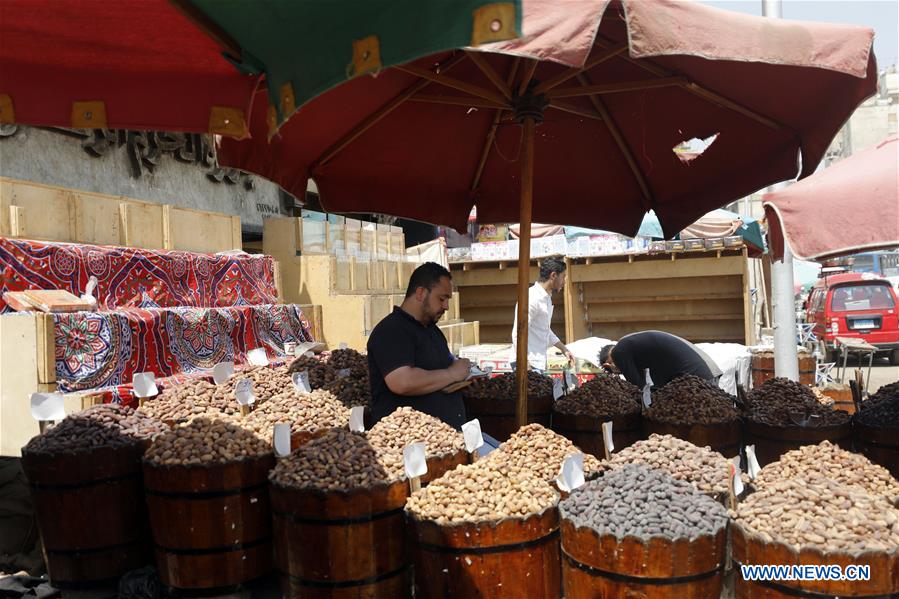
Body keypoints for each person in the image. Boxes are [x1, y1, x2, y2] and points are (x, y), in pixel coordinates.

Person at [367, 262, 470, 428]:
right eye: (442, 298)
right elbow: (402, 381)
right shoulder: (391, 330)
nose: (446, 306)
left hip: (442, 441)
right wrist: (452, 373)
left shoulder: (432, 330)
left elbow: (439, 372)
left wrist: (464, 375)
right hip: (408, 445)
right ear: (421, 293)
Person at [511, 257, 575, 371]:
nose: (564, 281)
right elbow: (518, 333)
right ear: (553, 275)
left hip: (537, 362)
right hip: (528, 363)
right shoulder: (531, 298)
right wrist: (524, 362)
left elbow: (544, 330)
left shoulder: (546, 297)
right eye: (563, 277)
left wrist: (564, 349)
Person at [599, 330, 722, 389]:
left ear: (609, 363)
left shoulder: (619, 351)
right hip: (706, 371)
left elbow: (640, 388)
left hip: (697, 378)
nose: (620, 373)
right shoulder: (635, 347)